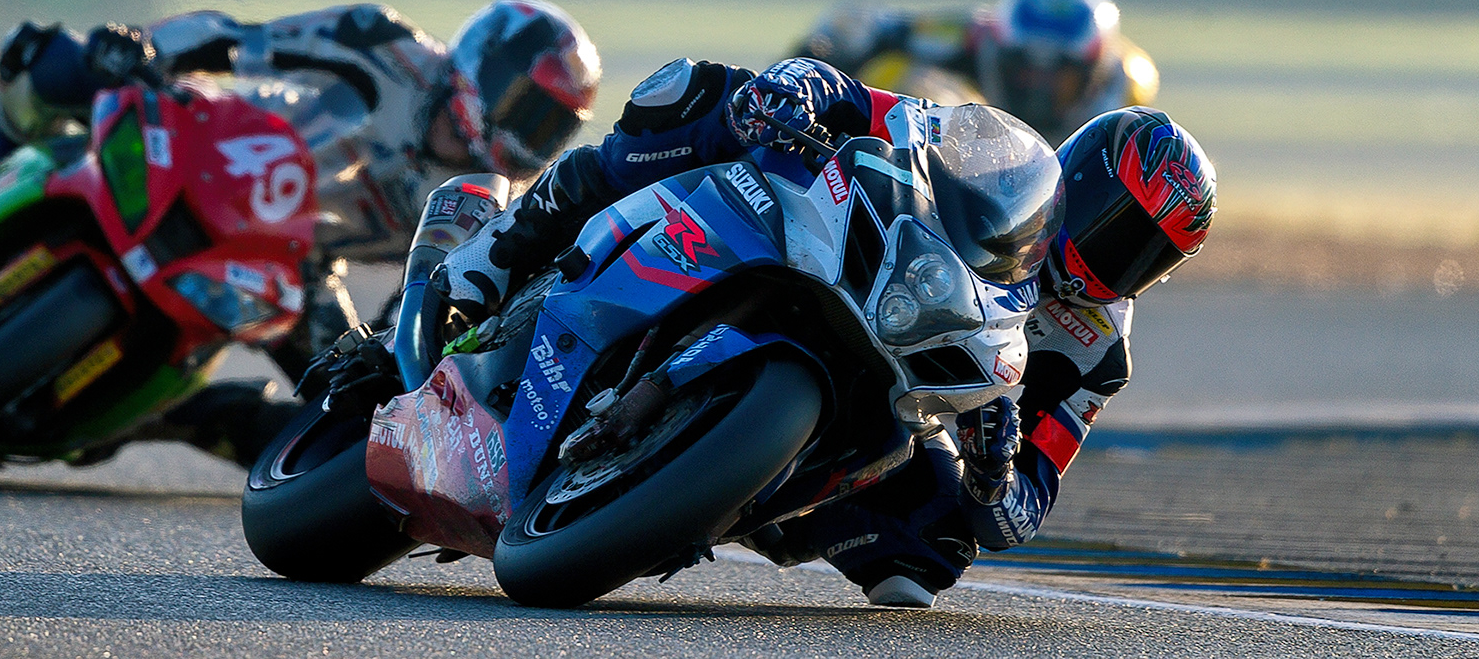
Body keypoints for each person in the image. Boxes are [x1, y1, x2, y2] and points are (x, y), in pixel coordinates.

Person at [435, 65, 1212, 609]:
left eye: (1142, 252)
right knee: (699, 94)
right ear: (1076, 173)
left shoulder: (1095, 350)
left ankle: (723, 492)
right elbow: (883, 110)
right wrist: (802, 90)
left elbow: (1022, 510)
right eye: (1112, 220)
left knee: (930, 552)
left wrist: (993, 465)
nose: (1113, 258)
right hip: (852, 265)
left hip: (898, 401)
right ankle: (498, 252)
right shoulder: (999, 169)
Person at [0, 0, 601, 464]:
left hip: (294, 266)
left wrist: (392, 362)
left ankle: (163, 413)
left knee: (350, 434)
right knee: (47, 56)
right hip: (219, 152)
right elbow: (238, 41)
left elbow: (437, 293)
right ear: (488, 68)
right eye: (527, 108)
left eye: (553, 126)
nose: (530, 136)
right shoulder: (380, 46)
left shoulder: (490, 197)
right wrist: (147, 50)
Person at [788, 0, 1160, 147]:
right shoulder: (972, 34)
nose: (1038, 86)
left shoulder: (1131, 85)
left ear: (1094, 70)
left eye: (1056, 75)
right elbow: (859, 24)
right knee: (904, 79)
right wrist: (802, 75)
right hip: (978, 152)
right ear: (998, 47)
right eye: (1024, 69)